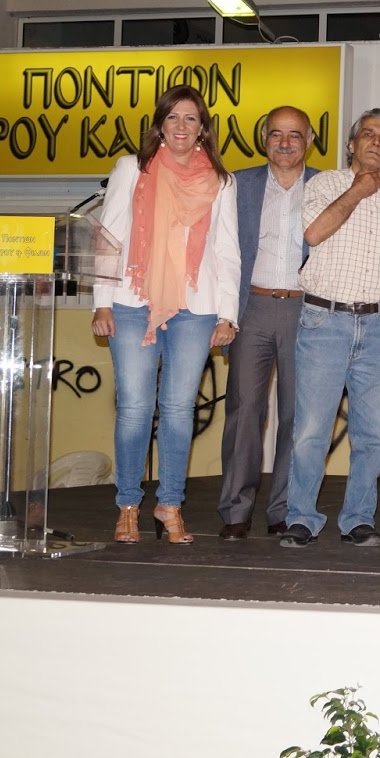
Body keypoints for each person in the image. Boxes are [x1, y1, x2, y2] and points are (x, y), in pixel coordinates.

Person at [94, 85, 240, 546]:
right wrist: (101, 301)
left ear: (202, 129)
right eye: (173, 117)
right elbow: (109, 237)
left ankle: (170, 504)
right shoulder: (131, 169)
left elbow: (227, 251)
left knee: (178, 410)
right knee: (135, 408)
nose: (181, 126)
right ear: (160, 125)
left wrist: (228, 315)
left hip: (196, 309)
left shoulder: (222, 181)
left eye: (190, 118)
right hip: (132, 301)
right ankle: (128, 506)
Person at [280, 109, 380, 548]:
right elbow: (314, 233)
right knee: (311, 430)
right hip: (325, 321)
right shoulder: (324, 183)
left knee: (373, 435)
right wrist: (359, 189)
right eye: (368, 134)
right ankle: (301, 517)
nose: (377, 142)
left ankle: (358, 518)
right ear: (351, 144)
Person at [216, 105, 315, 540]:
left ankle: (285, 510)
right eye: (276, 133)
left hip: (306, 310)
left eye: (294, 134)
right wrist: (223, 312)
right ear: (264, 139)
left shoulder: (326, 186)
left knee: (298, 414)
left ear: (309, 140)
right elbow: (219, 251)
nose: (285, 142)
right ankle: (236, 512)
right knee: (244, 412)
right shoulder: (237, 184)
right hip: (250, 309)